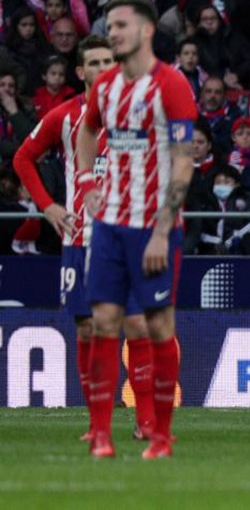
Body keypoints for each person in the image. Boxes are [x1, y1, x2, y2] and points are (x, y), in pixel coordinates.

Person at [12, 34, 157, 442]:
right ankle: (98, 424)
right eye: (93, 62)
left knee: (136, 325)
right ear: (80, 72)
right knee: (88, 330)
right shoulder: (64, 116)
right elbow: (22, 158)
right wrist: (48, 206)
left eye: (108, 60)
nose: (102, 68)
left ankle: (145, 420)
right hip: (81, 239)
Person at [75, 0, 198, 459]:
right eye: (110, 26)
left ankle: (161, 435)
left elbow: (184, 162)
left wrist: (164, 230)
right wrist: (87, 179)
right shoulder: (104, 86)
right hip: (109, 224)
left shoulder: (171, 85)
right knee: (105, 321)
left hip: (155, 226)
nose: (114, 33)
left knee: (157, 326)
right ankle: (102, 436)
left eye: (121, 25)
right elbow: (88, 131)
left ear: (146, 31)